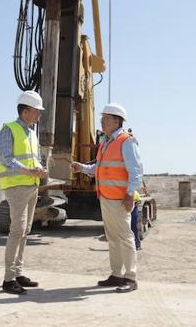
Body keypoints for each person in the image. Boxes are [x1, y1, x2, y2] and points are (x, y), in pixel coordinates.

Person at [71, 103, 143, 293]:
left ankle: (130, 277)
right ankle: (117, 275)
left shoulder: (126, 141)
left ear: (116, 120)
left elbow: (136, 172)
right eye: (102, 118)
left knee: (125, 237)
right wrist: (83, 168)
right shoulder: (106, 142)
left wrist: (129, 196)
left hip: (120, 199)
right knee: (113, 237)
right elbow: (100, 168)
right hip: (106, 197)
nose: (102, 122)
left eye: (105, 119)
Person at [0, 90, 48, 294]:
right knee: (17, 230)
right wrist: (30, 171)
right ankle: (8, 279)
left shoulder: (31, 134)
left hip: (31, 185)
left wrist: (40, 169)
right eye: (37, 111)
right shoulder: (8, 130)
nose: (39, 115)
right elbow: (7, 159)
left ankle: (18, 272)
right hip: (16, 186)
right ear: (25, 111)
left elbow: (34, 159)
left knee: (25, 231)